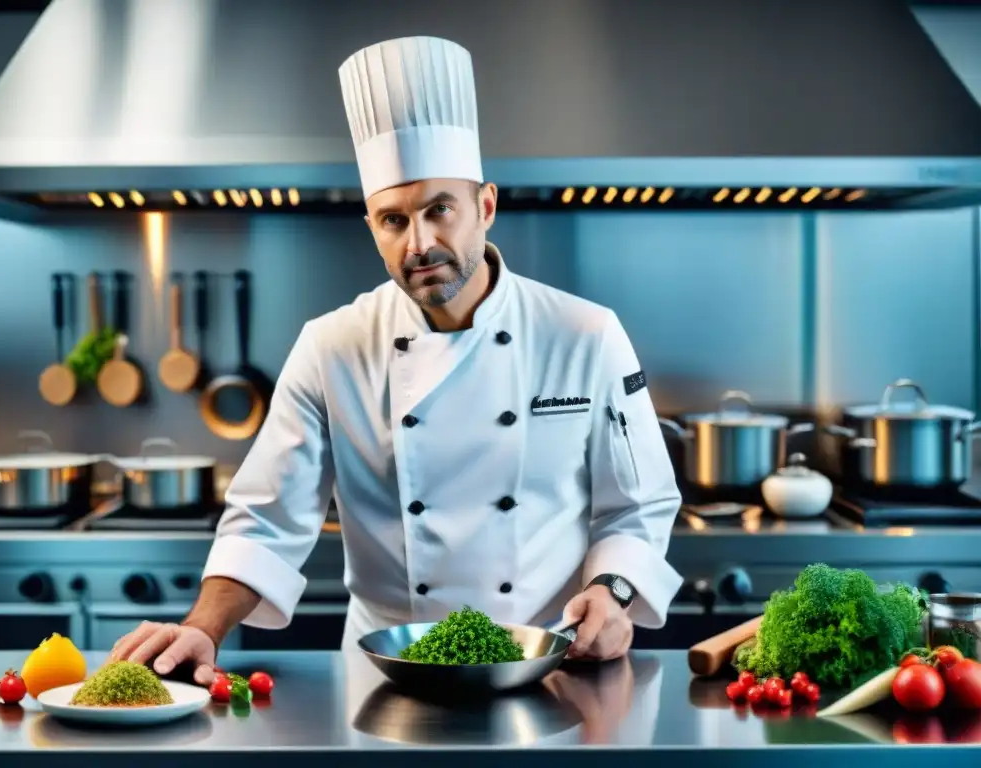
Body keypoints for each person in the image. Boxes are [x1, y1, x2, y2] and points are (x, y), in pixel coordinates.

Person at [107, 35, 683, 685]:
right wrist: (200, 626)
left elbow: (636, 504)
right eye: (393, 220)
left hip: (552, 663)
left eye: (440, 209)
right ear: (372, 227)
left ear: (485, 207)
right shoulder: (333, 345)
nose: (420, 243)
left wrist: (615, 591)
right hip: (386, 672)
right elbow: (266, 521)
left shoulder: (585, 333)